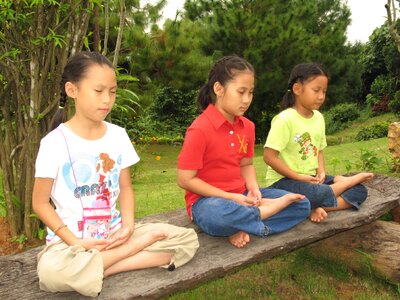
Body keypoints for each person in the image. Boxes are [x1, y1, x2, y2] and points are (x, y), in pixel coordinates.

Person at [32, 51, 199, 297]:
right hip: (70, 245)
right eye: (98, 91)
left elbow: (126, 188)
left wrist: (128, 227)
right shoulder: (53, 143)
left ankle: (102, 267)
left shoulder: (118, 135)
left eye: (112, 91)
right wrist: (74, 241)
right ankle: (126, 257)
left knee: (188, 239)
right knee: (51, 273)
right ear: (72, 90)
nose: (107, 100)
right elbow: (39, 203)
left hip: (114, 234)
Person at [177, 55, 311, 249]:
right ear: (218, 89)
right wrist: (230, 198)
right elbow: (185, 180)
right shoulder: (200, 129)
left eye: (250, 92)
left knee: (302, 204)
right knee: (219, 215)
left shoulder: (247, 127)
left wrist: (254, 187)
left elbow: (246, 164)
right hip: (208, 202)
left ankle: (243, 225)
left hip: (243, 196)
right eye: (241, 92)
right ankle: (257, 215)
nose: (247, 100)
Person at [263, 62, 374, 223]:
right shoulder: (285, 119)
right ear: (297, 89)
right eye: (316, 90)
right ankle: (342, 184)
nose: (321, 96)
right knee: (317, 193)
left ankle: (311, 208)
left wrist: (321, 172)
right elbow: (269, 157)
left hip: (312, 179)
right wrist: (298, 177)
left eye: (324, 91)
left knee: (360, 191)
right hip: (282, 182)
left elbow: (319, 150)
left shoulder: (319, 118)